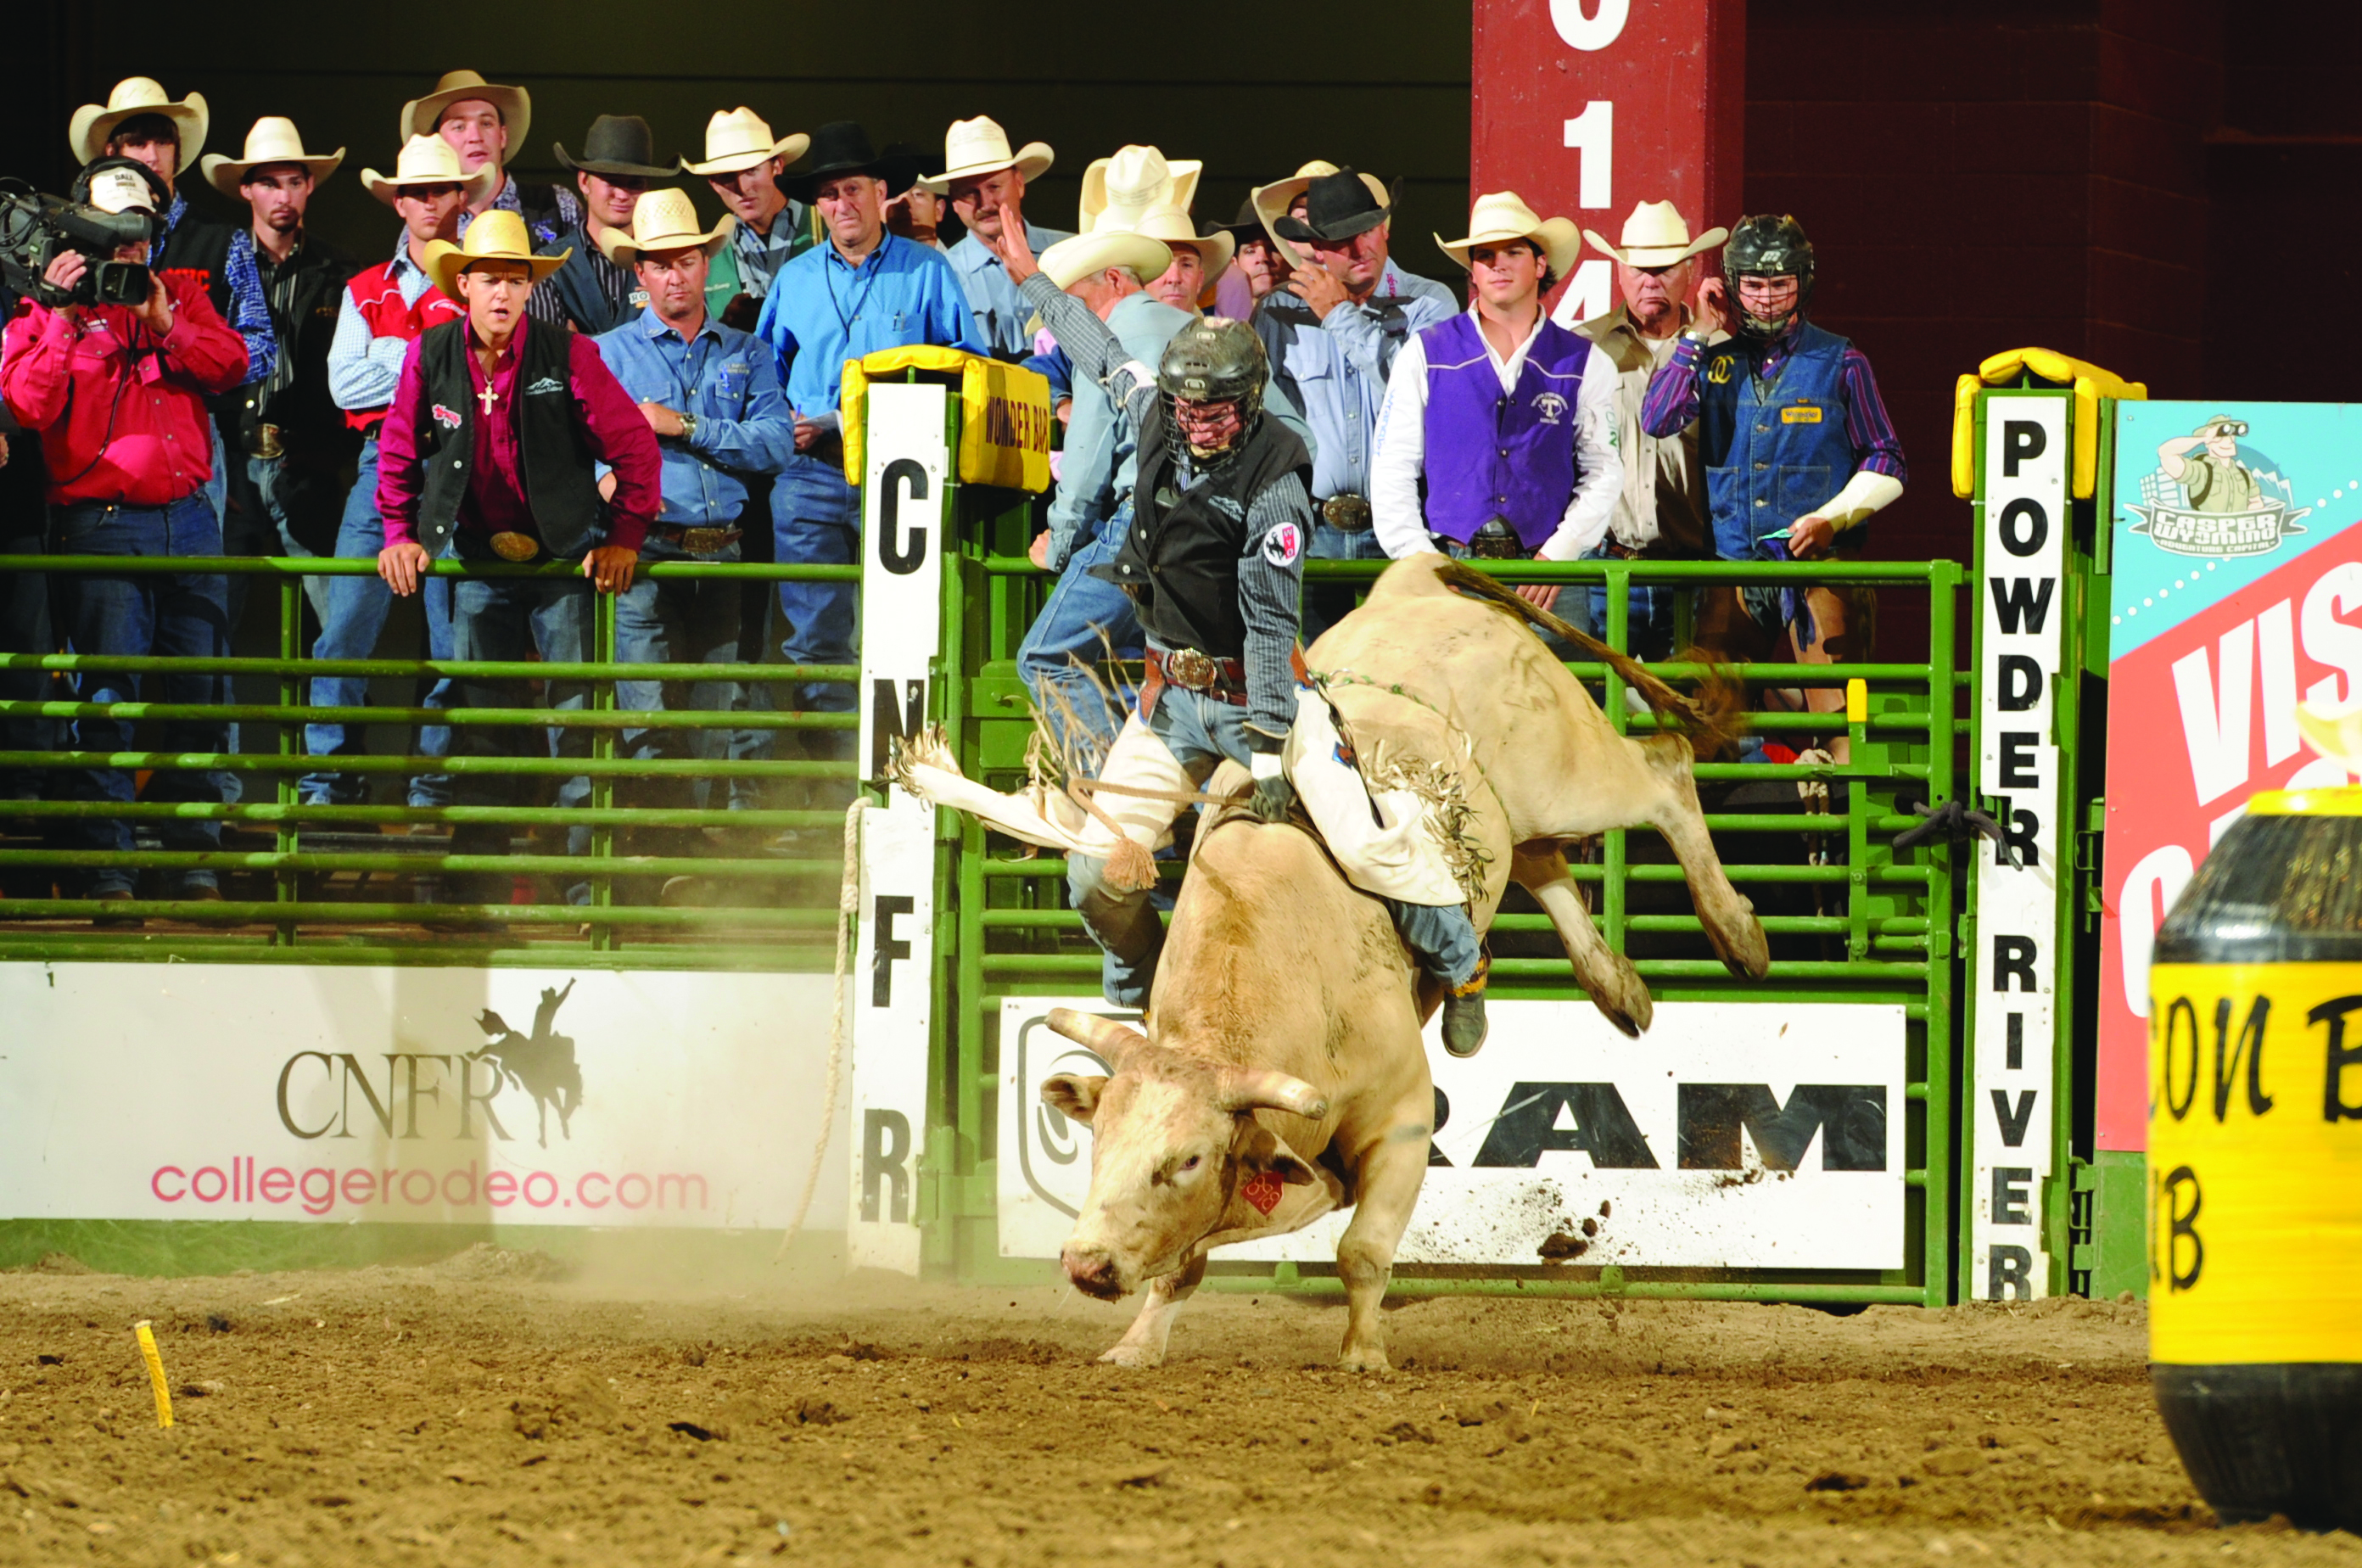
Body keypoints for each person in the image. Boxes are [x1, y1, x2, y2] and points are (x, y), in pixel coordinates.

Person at [990, 212, 1489, 1050]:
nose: (1197, 422)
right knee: (1092, 874)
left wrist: (1265, 750)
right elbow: (1095, 346)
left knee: (1366, 847)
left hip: (1266, 698)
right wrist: (1027, 278)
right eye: (1188, 406)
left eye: (1216, 410)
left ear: (1248, 403)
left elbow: (1266, 614)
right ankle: (1149, 990)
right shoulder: (1153, 408)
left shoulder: (1276, 482)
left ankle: (1462, 960)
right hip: (1168, 698)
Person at [372, 212, 661, 921]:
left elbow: (636, 451)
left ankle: (585, 890)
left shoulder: (570, 354)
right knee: (483, 720)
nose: (502, 293)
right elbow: (399, 452)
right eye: (490, 279)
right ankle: (478, 890)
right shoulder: (430, 353)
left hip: (561, 559)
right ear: (462, 284)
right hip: (476, 557)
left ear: (530, 289)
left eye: (515, 279)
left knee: (573, 724)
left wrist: (624, 535)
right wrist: (397, 532)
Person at [0, 160, 249, 916]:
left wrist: (163, 316)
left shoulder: (184, 293)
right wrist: (59, 312)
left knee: (198, 697)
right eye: (112, 237)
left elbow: (233, 365)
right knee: (110, 698)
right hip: (101, 522)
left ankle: (194, 860)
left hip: (189, 518)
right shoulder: (42, 313)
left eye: (138, 235)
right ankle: (109, 868)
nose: (127, 252)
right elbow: (27, 406)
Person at [753, 122, 983, 809]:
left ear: (883, 195)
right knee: (815, 634)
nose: (841, 204)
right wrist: (786, 424)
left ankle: (903, 788)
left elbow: (965, 363)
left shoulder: (928, 270)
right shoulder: (793, 280)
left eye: (853, 189)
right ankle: (830, 795)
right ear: (817, 205)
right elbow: (767, 370)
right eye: (827, 194)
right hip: (811, 475)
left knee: (907, 626)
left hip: (902, 470)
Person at [1639, 213, 1905, 757]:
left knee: (1836, 715)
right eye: (1754, 285)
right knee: (1706, 718)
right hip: (1734, 568)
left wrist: (1833, 519)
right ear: (1732, 287)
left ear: (1802, 285)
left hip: (1816, 567)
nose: (1765, 299)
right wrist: (1696, 333)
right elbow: (1657, 419)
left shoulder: (1842, 359)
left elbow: (1888, 459)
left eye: (1779, 285)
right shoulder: (1712, 359)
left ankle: (1838, 837)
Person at [593, 190, 794, 876]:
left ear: (708, 265)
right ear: (639, 275)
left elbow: (776, 444)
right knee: (647, 711)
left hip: (724, 547)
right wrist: (605, 470)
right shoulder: (605, 355)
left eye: (685, 261)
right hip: (645, 554)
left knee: (711, 716)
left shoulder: (751, 351)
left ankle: (685, 864)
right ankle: (658, 854)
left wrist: (684, 428)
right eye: (658, 264)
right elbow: (581, 446)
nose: (674, 276)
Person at [305, 136, 491, 811]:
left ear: (460, 197)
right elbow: (342, 388)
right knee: (343, 628)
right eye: (414, 191)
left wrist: (394, 354)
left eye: (439, 190)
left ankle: (432, 791)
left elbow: (481, 375)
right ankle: (327, 787)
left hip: (461, 461)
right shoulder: (365, 286)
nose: (426, 202)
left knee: (454, 642)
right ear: (398, 200)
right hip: (382, 454)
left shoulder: (482, 278)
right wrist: (427, 357)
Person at [1370, 192, 1622, 617]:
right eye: (1484, 254)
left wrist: (1561, 553)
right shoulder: (1425, 352)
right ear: (1473, 269)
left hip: (1548, 576)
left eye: (1513, 251)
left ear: (1541, 264)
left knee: (1557, 683)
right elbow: (1392, 465)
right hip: (1450, 567)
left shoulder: (1585, 361)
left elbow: (1604, 469)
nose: (1497, 264)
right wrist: (1421, 562)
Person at [1257, 169, 1457, 643]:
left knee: (1405, 678)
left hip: (1405, 528)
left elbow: (1422, 402)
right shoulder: (1276, 313)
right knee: (1311, 686)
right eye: (1340, 240)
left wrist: (1339, 316)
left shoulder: (1431, 304)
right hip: (1312, 529)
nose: (1358, 248)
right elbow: (1265, 426)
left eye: (1366, 230)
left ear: (1385, 227)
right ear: (1316, 249)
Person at [71, 78, 276, 540]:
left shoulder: (222, 239)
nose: (151, 154)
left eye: (162, 141)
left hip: (202, 429)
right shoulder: (80, 237)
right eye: (137, 141)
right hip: (105, 434)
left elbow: (261, 348)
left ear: (178, 152)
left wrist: (190, 360)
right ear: (111, 151)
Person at [1016, 226, 1188, 758]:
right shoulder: (1202, 330)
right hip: (1220, 526)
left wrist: (1060, 546)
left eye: (1074, 310)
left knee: (1045, 657)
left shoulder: (1107, 350)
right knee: (1187, 675)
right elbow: (1296, 436)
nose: (1071, 333)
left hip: (1143, 523)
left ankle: (1116, 809)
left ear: (1113, 281)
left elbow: (1086, 466)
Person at [199, 118, 354, 626]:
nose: (282, 195)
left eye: (293, 181)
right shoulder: (218, 267)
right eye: (269, 182)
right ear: (246, 190)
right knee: (214, 615)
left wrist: (331, 451)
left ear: (309, 186)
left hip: (307, 462)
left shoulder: (340, 271)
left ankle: (332, 709)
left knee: (336, 623)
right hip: (232, 462)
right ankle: (221, 710)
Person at [1564, 199, 1730, 660]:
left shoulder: (1723, 356)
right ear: (1619, 272)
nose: (1649, 280)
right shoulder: (1581, 349)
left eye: (1663, 269)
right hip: (1606, 566)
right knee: (1597, 709)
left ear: (1690, 271)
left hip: (1693, 574)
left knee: (1693, 712)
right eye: (1638, 269)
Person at [926, 117, 1068, 357]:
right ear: (954, 202)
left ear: (1019, 184)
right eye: (969, 193)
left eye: (994, 187)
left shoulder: (1072, 252)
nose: (985, 203)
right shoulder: (941, 276)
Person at [400, 69, 577, 243]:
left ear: (503, 136)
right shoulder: (425, 223)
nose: (475, 137)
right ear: (439, 143)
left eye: (486, 123)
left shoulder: (557, 204)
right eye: (459, 127)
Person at [530, 115, 669, 334]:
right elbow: (550, 357)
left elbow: (677, 347)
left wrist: (584, 344)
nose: (623, 194)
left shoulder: (667, 259)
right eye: (612, 181)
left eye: (635, 183)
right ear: (584, 182)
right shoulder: (548, 265)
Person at [683, 108, 811, 321]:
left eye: (751, 170)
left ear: (777, 166)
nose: (742, 188)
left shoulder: (828, 228)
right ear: (714, 184)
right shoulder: (709, 255)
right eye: (727, 176)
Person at [1210, 198, 1292, 321]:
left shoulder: (1313, 317)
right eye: (1250, 251)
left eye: (1273, 248)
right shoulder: (1212, 326)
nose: (1263, 258)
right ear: (1234, 263)